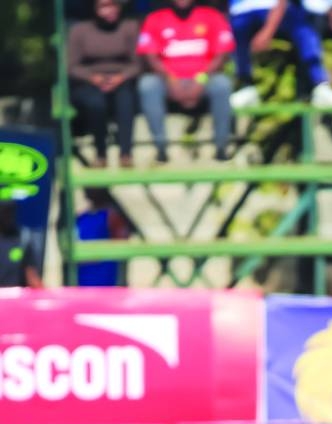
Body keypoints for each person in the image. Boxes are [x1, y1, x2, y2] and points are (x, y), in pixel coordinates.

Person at [136, 0, 235, 162]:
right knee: (147, 84)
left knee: (222, 84)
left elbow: (221, 55)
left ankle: (221, 147)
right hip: (168, 79)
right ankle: (161, 148)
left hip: (204, 78)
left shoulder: (212, 16)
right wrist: (171, 79)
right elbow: (151, 57)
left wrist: (201, 80)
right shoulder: (155, 19)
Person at [228, 0, 332, 109]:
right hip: (241, 14)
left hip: (277, 11)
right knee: (237, 29)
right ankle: (245, 86)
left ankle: (320, 86)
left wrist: (268, 31)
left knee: (304, 30)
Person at [67, 0, 141, 168]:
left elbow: (137, 64)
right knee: (96, 103)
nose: (110, 11)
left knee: (126, 99)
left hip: (122, 80)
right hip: (88, 82)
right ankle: (100, 154)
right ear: (94, 9)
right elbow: (71, 67)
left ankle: (126, 154)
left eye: (113, 6)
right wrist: (94, 78)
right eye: (104, 6)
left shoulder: (129, 27)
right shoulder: (79, 31)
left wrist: (120, 77)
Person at [76, 188, 130, 286]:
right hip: (84, 283)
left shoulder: (112, 217)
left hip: (107, 284)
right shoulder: (80, 218)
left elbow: (122, 254)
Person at [0, 202, 43, 288]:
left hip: (16, 298)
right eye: (4, 211)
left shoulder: (23, 240)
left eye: (11, 210)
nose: (8, 215)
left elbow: (32, 277)